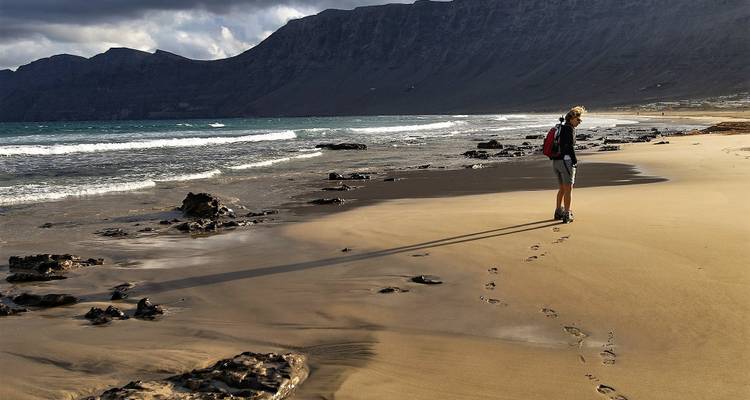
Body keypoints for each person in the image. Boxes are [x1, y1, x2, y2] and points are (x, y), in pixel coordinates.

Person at [552, 106, 585, 223]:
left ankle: (558, 211)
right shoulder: (569, 129)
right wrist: (575, 160)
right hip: (566, 162)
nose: (579, 122)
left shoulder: (559, 128)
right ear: (571, 118)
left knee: (561, 188)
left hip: (556, 161)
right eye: (578, 120)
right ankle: (567, 213)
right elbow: (569, 147)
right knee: (568, 189)